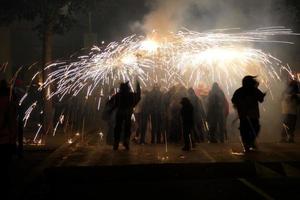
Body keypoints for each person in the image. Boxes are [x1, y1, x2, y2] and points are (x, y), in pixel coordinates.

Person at [232, 76, 266, 152]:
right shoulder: (254, 90)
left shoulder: (239, 91)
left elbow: (234, 101)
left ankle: (248, 143)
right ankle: (249, 143)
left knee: (246, 129)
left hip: (245, 115)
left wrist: (239, 106)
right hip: (252, 115)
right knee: (253, 128)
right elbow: (261, 99)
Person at [108, 81, 141, 150]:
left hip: (120, 112)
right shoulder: (131, 95)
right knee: (127, 128)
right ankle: (126, 142)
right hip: (128, 113)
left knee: (118, 128)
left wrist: (110, 110)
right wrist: (138, 87)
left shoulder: (118, 95)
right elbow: (138, 97)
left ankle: (116, 143)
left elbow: (115, 104)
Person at [0, 79, 17, 190]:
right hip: (4, 139)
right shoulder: (8, 102)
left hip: (4, 138)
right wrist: (12, 138)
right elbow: (11, 121)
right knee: (5, 167)